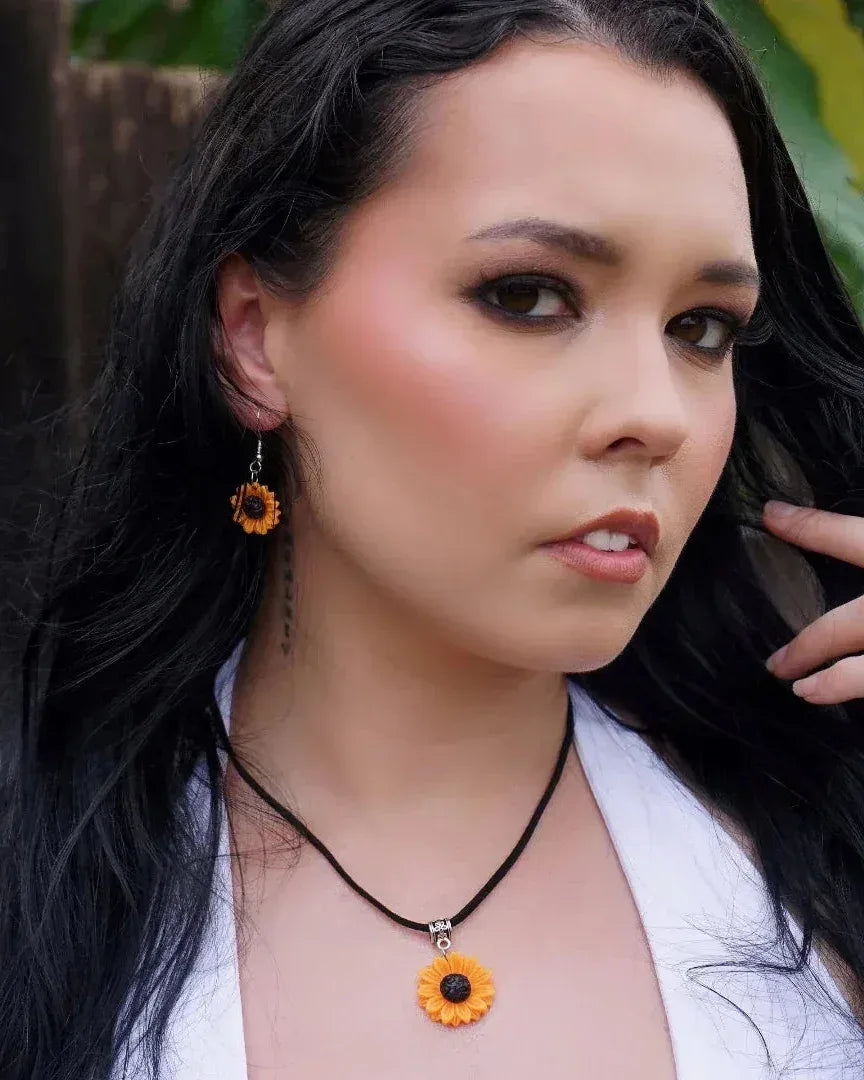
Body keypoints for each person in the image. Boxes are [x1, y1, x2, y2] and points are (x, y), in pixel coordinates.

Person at [5, 0, 864, 1076]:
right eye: (528, 295)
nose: (660, 413)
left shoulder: (820, 859)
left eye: (702, 329)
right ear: (256, 338)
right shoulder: (41, 885)